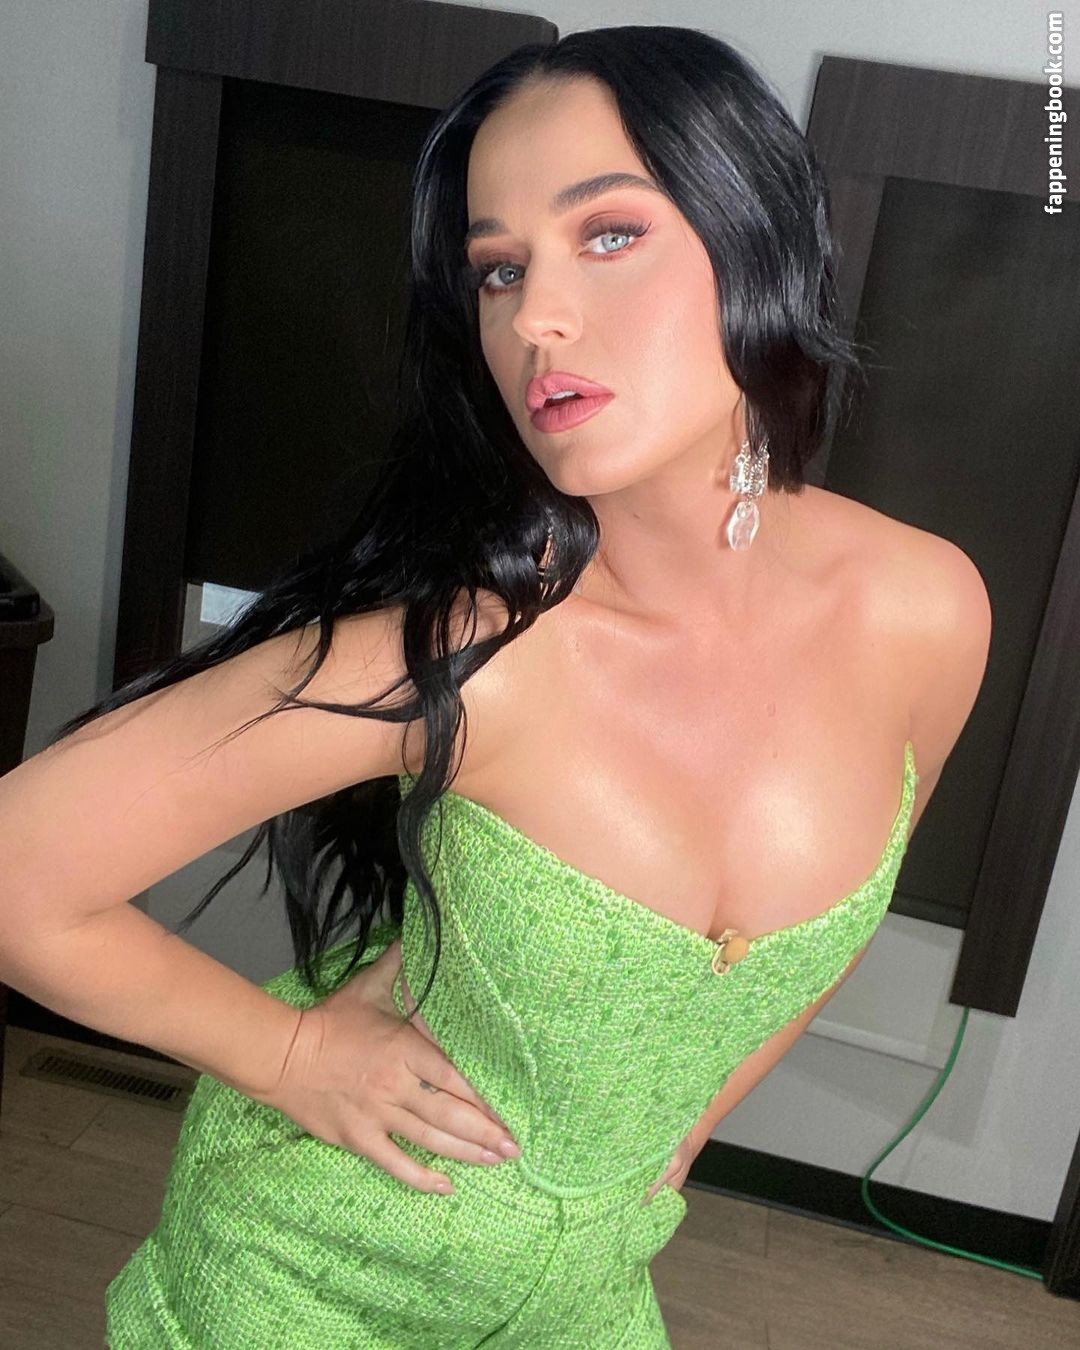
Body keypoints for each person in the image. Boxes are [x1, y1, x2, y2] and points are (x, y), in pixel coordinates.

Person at [0, 25, 990, 1349]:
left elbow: (850, 903)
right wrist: (290, 1055)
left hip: (583, 1296)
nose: (536, 319)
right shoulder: (464, 656)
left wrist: (682, 1122)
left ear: (756, 235)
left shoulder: (927, 610)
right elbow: (18, 868)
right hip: (305, 1280)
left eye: (610, 233)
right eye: (499, 271)